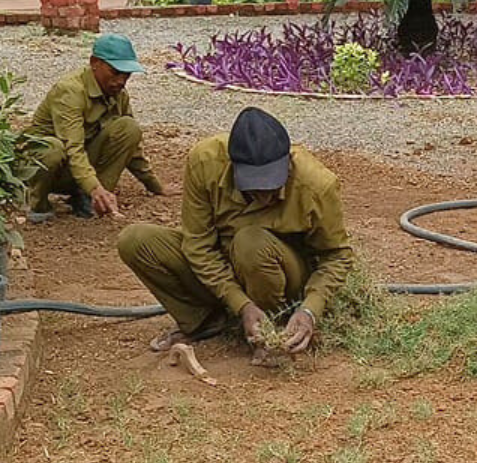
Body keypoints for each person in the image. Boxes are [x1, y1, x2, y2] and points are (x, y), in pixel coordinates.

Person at [118, 107, 355, 362]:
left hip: (284, 277)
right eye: (254, 186)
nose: (264, 196)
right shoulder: (205, 162)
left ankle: (273, 328)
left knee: (250, 242)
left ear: (289, 163)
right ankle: (207, 321)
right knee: (136, 240)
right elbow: (198, 247)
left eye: (272, 185)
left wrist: (310, 309)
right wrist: (241, 304)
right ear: (233, 168)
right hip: (227, 267)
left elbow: (336, 256)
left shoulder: (318, 185)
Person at [26, 35, 164, 222]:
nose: (121, 80)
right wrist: (93, 186)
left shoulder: (118, 94)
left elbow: (132, 147)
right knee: (52, 149)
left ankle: (91, 198)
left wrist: (154, 185)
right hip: (48, 168)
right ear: (94, 63)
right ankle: (38, 203)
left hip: (78, 167)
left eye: (126, 75)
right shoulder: (70, 91)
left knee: (128, 128)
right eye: (115, 72)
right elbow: (72, 147)